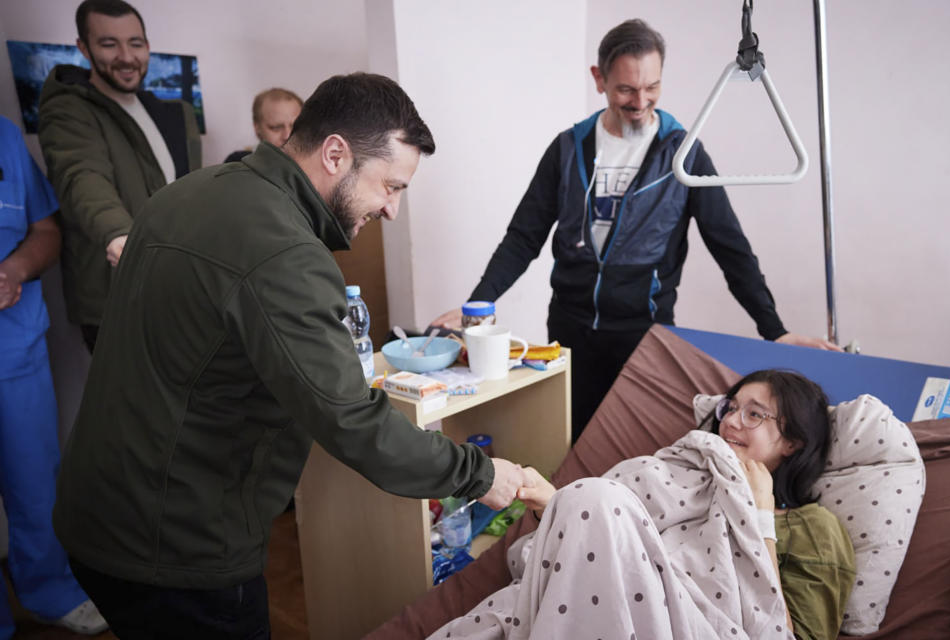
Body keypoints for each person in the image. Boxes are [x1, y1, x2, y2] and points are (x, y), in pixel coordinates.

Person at [52, 72, 528, 638]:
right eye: (391, 186)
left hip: (97, 512)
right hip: (174, 547)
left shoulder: (189, 192)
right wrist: (478, 474)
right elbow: (352, 421)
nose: (392, 209)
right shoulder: (285, 252)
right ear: (334, 154)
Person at [432, 19, 841, 443]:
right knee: (571, 442)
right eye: (626, 89)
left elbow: (730, 248)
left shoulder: (684, 154)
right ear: (599, 79)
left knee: (638, 447)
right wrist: (478, 304)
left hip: (644, 334)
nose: (640, 101)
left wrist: (774, 329)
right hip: (571, 332)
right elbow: (523, 237)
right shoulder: (567, 149)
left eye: (652, 87)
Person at [432, 370, 856, 640]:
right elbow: (603, 541)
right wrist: (554, 508)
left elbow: (793, 634)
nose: (729, 421)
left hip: (689, 626)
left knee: (594, 497)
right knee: (589, 497)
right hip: (602, 599)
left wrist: (760, 517)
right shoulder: (678, 473)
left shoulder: (814, 526)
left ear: (793, 442)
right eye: (731, 408)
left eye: (754, 415)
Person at [38, 0, 202, 353]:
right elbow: (81, 176)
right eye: (109, 44)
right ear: (84, 47)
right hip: (118, 298)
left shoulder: (169, 113)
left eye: (136, 43)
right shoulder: (69, 108)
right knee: (138, 406)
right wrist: (118, 234)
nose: (126, 56)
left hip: (176, 286)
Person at [0, 116, 108, 637]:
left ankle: (49, 590)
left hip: (13, 343)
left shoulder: (3, 136)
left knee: (34, 476)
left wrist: (13, 271)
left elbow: (46, 230)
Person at [224, 87, 304, 163]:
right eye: (276, 127)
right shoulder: (237, 164)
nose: (287, 136)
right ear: (257, 128)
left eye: (295, 126)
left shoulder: (312, 166)